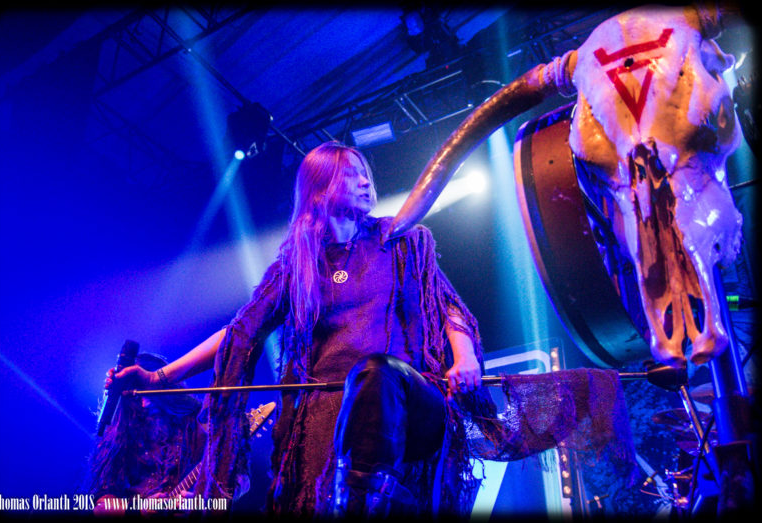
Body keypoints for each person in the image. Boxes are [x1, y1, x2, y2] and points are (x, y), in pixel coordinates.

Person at [107, 141, 636, 518]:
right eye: (353, 173)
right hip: (326, 419)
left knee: (378, 372)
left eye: (367, 173)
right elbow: (238, 333)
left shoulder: (399, 243)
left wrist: (466, 356)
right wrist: (160, 378)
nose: (367, 180)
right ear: (320, 190)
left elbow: (449, 309)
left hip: (412, 403)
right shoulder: (297, 267)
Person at [90, 353, 205, 515]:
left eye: (150, 394)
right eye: (136, 398)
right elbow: (100, 507)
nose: (144, 404)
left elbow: (237, 480)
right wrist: (137, 510)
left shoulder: (196, 423)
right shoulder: (120, 434)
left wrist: (203, 501)